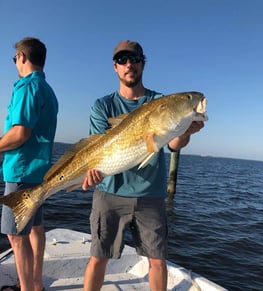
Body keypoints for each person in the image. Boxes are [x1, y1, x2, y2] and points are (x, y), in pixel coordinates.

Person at [82, 40, 204, 291]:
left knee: (158, 262)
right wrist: (88, 171)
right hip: (109, 192)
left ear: (143, 63)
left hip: (151, 195)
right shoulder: (102, 106)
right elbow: (94, 149)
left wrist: (187, 130)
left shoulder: (160, 102)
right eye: (122, 60)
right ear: (115, 67)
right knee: (98, 257)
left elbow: (174, 143)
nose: (129, 64)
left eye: (134, 59)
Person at [0, 37, 58, 291]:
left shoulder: (26, 87)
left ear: (22, 56)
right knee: (35, 226)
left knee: (15, 234)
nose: (15, 63)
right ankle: (35, 284)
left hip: (21, 170)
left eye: (14, 58)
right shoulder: (48, 90)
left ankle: (27, 289)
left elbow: (20, 133)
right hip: (38, 172)